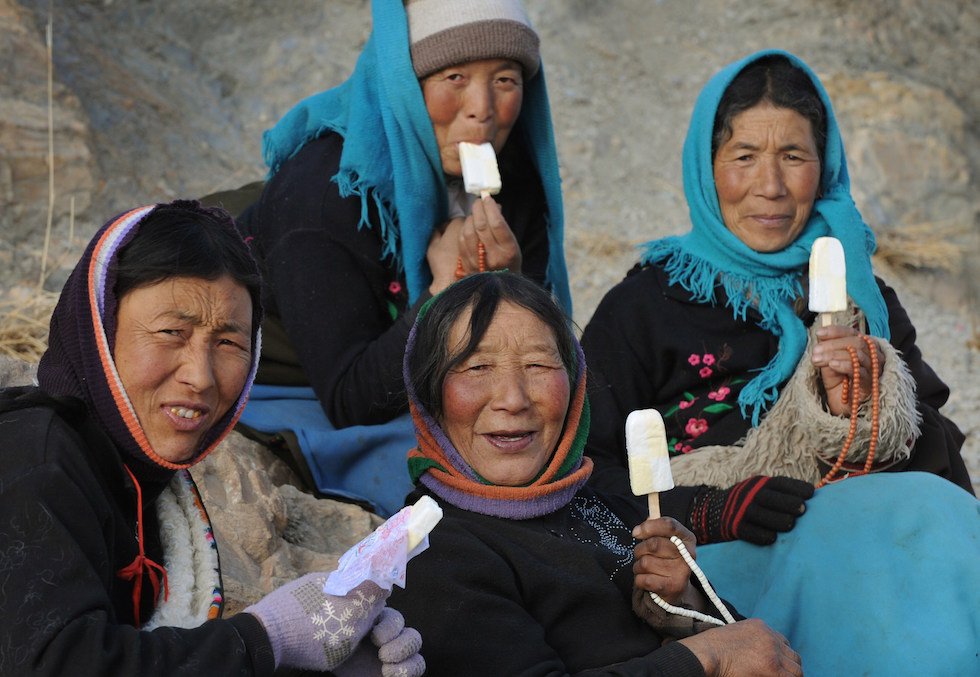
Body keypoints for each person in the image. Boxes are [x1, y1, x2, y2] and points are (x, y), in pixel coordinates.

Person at [580, 51, 979, 674]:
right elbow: (585, 472)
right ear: (706, 168)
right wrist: (714, 508)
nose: (770, 185)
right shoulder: (642, 308)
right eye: (744, 156)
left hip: (870, 543)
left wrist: (867, 407)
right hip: (721, 571)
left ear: (824, 168)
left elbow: (936, 458)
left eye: (793, 156)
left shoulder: (858, 298)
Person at [0, 200, 424, 676]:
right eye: (171, 333)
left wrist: (318, 661)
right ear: (98, 328)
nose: (200, 377)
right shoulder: (34, 461)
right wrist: (265, 639)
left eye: (228, 343)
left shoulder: (141, 483)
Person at [225, 0, 570, 517]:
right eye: (454, 76)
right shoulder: (326, 196)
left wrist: (511, 283)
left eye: (505, 80)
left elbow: (542, 351)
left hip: (423, 380)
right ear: (404, 85)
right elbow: (350, 401)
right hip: (296, 385)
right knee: (441, 488)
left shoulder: (515, 180)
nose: (482, 107)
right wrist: (444, 293)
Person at [388, 271, 804, 676]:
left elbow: (752, 652)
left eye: (537, 364)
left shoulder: (594, 505)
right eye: (477, 367)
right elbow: (722, 655)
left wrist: (684, 607)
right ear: (429, 397)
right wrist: (703, 658)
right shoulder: (427, 551)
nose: (513, 399)